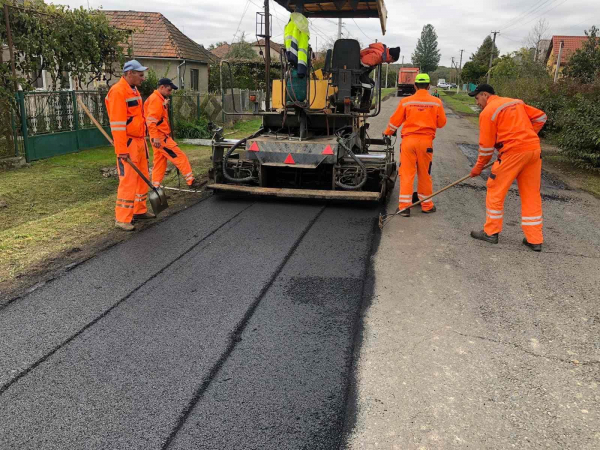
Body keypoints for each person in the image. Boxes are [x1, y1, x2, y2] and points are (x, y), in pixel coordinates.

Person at [468, 84, 547, 252]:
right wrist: (528, 136)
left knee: (495, 189)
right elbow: (541, 117)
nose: (477, 103)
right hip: (533, 151)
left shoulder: (488, 112)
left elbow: (486, 148)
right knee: (531, 193)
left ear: (485, 95)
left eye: (477, 98)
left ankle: (490, 233)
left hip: (513, 154)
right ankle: (535, 239)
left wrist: (478, 167)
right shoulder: (515, 102)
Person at [383, 73, 447, 216]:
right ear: (429, 86)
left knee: (406, 174)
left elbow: (395, 121)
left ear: (415, 86)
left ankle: (405, 208)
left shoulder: (406, 101)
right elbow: (442, 123)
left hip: (408, 142)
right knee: (425, 174)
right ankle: (427, 205)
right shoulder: (436, 102)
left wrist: (387, 132)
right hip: (426, 143)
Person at [105, 60, 154, 231]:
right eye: (140, 75)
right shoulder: (118, 92)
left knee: (142, 177)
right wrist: (122, 150)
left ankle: (139, 210)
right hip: (129, 143)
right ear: (129, 73)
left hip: (140, 142)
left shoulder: (133, 89)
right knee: (128, 181)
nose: (143, 78)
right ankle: (122, 219)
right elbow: (117, 125)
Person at [144, 78, 203, 190]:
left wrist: (164, 105)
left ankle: (155, 187)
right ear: (162, 87)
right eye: (169, 90)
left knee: (160, 163)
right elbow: (151, 121)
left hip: (158, 137)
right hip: (161, 138)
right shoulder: (156, 100)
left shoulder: (157, 99)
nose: (170, 93)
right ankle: (191, 181)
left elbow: (157, 116)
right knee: (180, 156)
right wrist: (155, 137)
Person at [359, 43, 400, 110]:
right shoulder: (378, 55)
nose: (390, 63)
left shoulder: (381, 52)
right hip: (357, 71)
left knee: (371, 83)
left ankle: (365, 103)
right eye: (392, 61)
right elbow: (364, 61)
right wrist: (370, 66)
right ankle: (364, 105)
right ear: (390, 57)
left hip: (359, 70)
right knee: (369, 85)